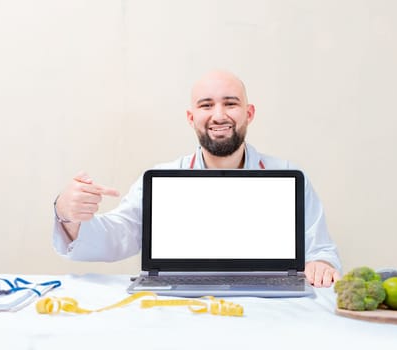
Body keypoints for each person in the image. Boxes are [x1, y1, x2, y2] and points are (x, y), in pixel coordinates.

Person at [53, 70, 342, 287]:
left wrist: (321, 263)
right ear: (191, 117)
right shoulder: (161, 179)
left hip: (272, 305)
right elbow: (116, 236)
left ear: (248, 113)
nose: (219, 115)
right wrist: (67, 213)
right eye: (206, 105)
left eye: (230, 103)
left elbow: (320, 249)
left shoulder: (288, 176)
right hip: (180, 305)